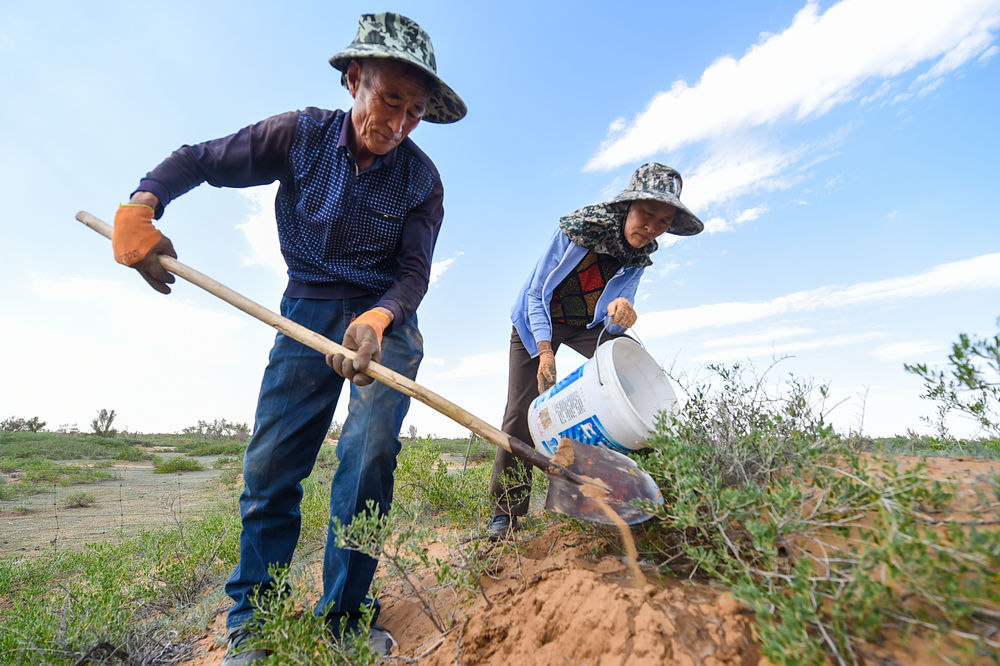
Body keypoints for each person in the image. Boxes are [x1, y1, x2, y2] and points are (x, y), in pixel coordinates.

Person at [108, 13, 465, 664]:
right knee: (272, 467)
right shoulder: (297, 135)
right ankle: (254, 625)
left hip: (387, 322)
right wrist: (142, 203)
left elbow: (413, 273)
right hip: (305, 310)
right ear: (355, 79)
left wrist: (378, 322)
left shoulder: (422, 180)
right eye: (390, 100)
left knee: (367, 456)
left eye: (415, 112)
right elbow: (199, 161)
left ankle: (346, 617)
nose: (400, 123)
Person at [486, 163, 703, 539]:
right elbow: (536, 293)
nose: (651, 227)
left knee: (632, 378)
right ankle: (506, 513)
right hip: (538, 319)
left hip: (588, 325)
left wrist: (624, 317)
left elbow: (615, 319)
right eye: (646, 215)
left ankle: (657, 493)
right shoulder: (579, 228)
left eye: (663, 221)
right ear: (627, 208)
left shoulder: (639, 257)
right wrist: (544, 351)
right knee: (520, 409)